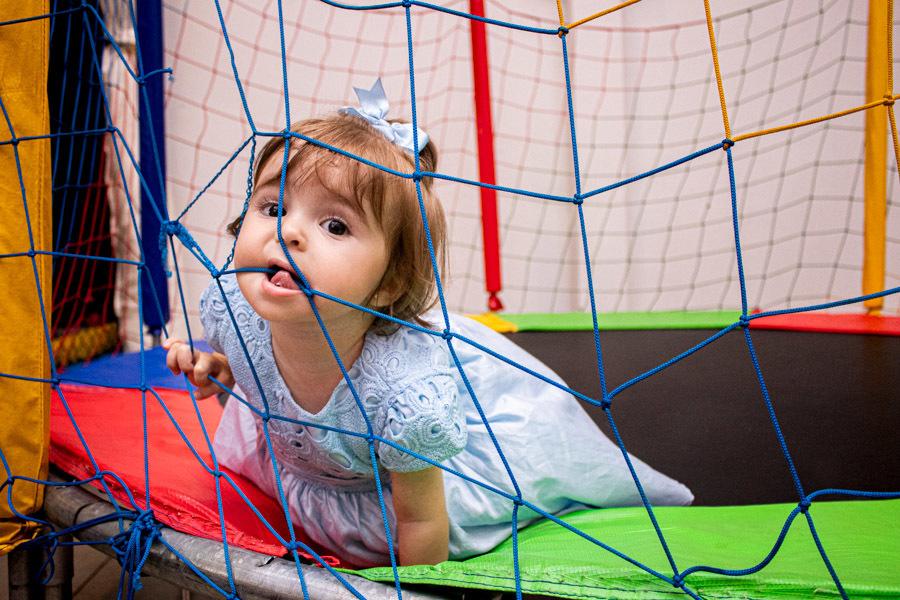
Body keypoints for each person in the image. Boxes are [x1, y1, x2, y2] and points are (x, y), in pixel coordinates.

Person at [164, 80, 692, 569]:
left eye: (335, 225)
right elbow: (255, 371)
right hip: (304, 467)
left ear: (389, 284)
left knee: (533, 466)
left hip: (394, 491)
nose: (289, 232)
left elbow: (421, 521)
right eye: (272, 205)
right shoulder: (232, 308)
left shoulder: (405, 395)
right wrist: (219, 369)